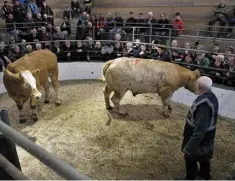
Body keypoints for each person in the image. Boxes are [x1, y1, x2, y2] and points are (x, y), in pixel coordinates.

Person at [181, 76, 219, 180]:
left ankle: (190, 177)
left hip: (200, 139)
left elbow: (200, 131)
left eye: (195, 83)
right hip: (207, 137)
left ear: (198, 86)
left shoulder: (204, 105)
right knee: (204, 157)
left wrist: (189, 148)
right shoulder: (211, 96)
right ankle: (205, 174)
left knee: (190, 158)